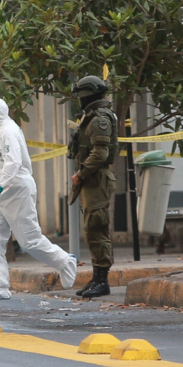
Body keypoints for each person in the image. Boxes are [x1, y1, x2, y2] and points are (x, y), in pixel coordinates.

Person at [0, 98, 77, 300]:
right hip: (1, 190)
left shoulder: (9, 131)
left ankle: (65, 261)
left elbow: (14, 163)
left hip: (16, 190)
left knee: (29, 240)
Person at [68, 76, 119, 298]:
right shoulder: (92, 117)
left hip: (96, 179)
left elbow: (101, 153)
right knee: (91, 230)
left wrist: (81, 173)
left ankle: (102, 280)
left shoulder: (100, 119)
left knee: (97, 229)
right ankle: (97, 277)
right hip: (92, 179)